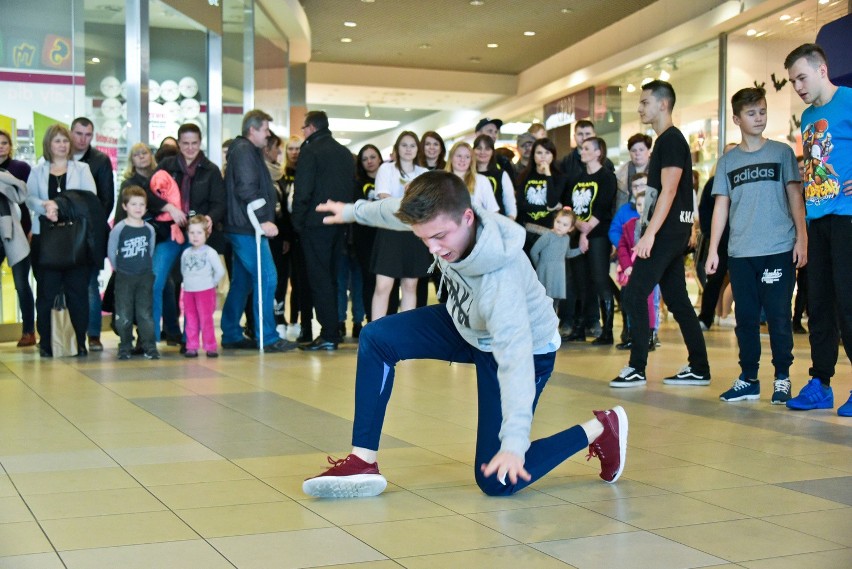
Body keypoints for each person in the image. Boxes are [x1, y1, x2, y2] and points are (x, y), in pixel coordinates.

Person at [303, 171, 628, 498]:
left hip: (522, 349)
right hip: (468, 324)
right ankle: (363, 461)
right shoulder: (443, 215)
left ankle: (602, 429)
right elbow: (395, 211)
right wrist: (350, 212)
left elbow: (515, 360)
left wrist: (515, 443)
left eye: (440, 237)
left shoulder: (500, 280)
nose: (433, 249)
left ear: (468, 217)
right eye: (423, 238)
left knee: (496, 482)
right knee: (377, 338)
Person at [705, 87, 806, 405]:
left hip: (778, 247)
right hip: (740, 252)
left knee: (778, 315)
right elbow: (721, 206)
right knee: (745, 317)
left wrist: (802, 238)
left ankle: (782, 378)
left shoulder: (782, 153)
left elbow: (794, 197)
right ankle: (748, 378)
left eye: (762, 111)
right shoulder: (727, 161)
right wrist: (712, 251)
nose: (758, 117)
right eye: (751, 113)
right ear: (736, 118)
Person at [610, 80, 710, 388]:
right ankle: (699, 366)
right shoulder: (668, 141)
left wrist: (649, 234)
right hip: (671, 232)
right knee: (678, 300)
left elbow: (668, 190)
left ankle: (637, 366)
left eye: (644, 102)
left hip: (665, 234)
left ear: (662, 104)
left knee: (635, 293)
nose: (640, 108)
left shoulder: (670, 140)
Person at [783, 44, 852, 416]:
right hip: (818, 219)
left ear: (822, 70)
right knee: (819, 303)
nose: (797, 86)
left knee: (849, 302)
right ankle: (820, 383)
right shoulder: (809, 117)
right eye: (793, 81)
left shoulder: (851, 101)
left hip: (848, 217)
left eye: (801, 77)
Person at [221, 109, 295, 353]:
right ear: (252, 130)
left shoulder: (245, 151)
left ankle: (231, 333)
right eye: (265, 129)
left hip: (241, 226)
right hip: (247, 227)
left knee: (242, 283)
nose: (268, 134)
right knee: (267, 278)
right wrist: (263, 220)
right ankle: (268, 337)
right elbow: (247, 189)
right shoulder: (244, 151)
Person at [26, 124, 97, 357]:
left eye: (65, 141)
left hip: (76, 240)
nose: (62, 145)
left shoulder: (82, 168)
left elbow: (89, 200)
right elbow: (29, 198)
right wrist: (45, 206)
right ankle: (47, 343)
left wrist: (61, 205)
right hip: (45, 239)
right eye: (57, 141)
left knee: (78, 293)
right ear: (48, 144)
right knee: (46, 294)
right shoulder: (37, 171)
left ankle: (79, 342)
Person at [151, 123, 226, 344]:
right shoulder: (167, 165)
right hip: (170, 233)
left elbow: (219, 203)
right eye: (185, 143)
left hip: (197, 236)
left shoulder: (210, 169)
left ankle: (190, 338)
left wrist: (210, 217)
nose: (190, 148)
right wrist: (169, 208)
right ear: (179, 142)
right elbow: (151, 193)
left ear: (200, 143)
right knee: (156, 280)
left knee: (195, 286)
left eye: (194, 143)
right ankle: (150, 337)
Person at [292, 110, 356, 350]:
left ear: (310, 128)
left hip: (314, 224)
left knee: (319, 278)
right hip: (339, 222)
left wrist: (298, 221)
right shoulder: (343, 152)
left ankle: (329, 333)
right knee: (332, 276)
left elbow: (303, 189)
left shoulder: (310, 150)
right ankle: (333, 329)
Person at [369, 131, 430, 321]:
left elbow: (427, 205)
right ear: (397, 148)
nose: (408, 149)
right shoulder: (386, 169)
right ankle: (375, 333)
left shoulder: (424, 174)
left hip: (414, 233)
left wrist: (405, 204)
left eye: (412, 145)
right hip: (390, 233)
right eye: (404, 145)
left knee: (410, 286)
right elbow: (383, 198)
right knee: (383, 286)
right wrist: (410, 204)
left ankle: (406, 334)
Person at [565, 136, 617, 345]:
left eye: (586, 148)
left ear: (598, 152)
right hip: (578, 233)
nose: (581, 151)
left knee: (599, 279)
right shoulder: (577, 178)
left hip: (598, 235)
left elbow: (603, 206)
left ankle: (608, 330)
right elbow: (570, 206)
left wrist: (586, 231)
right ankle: (579, 327)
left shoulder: (606, 177)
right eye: (581, 148)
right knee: (579, 282)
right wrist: (578, 226)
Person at [70, 117, 114, 353]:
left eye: (88, 135)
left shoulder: (100, 160)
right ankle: (66, 334)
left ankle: (94, 334)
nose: (82, 139)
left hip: (91, 231)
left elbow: (107, 199)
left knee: (89, 284)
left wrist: (92, 224)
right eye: (78, 133)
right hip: (62, 231)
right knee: (63, 284)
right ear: (71, 133)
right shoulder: (60, 156)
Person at [108, 186, 158, 360]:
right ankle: (125, 344)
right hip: (124, 276)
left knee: (145, 314)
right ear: (124, 206)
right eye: (133, 204)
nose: (138, 208)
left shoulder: (149, 229)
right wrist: (120, 269)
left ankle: (149, 345)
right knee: (124, 314)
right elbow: (112, 251)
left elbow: (150, 251)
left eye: (141, 204)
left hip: (144, 276)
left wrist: (144, 268)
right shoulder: (119, 229)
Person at [0, 129, 36, 347]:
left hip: (19, 232)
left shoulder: (20, 168)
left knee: (22, 284)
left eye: (4, 142)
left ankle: (28, 331)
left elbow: (28, 200)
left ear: (10, 146)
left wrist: (30, 229)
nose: (1, 146)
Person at [616, 189, 656, 352]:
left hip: (648, 269)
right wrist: (626, 266)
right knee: (630, 302)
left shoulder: (655, 227)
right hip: (630, 270)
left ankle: (649, 336)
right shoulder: (629, 225)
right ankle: (633, 336)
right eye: (639, 204)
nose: (642, 207)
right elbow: (622, 246)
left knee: (648, 303)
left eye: (645, 205)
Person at [181, 215, 225, 358]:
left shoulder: (210, 252)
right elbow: (183, 269)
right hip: (189, 291)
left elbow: (220, 270)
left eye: (199, 233)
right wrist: (186, 283)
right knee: (191, 319)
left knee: (206, 319)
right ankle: (191, 346)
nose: (195, 236)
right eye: (192, 232)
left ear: (206, 234)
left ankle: (210, 346)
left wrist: (212, 283)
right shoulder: (186, 253)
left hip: (205, 291)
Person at [352, 144, 383, 327]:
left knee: (388, 283)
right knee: (369, 281)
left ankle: (387, 320)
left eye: (373, 157)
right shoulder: (357, 183)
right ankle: (371, 321)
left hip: (386, 237)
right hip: (365, 239)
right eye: (365, 159)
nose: (369, 161)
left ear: (380, 158)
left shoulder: (388, 180)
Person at [516, 137, 565, 252]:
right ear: (533, 155)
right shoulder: (524, 176)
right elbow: (521, 205)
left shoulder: (560, 177)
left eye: (547, 152)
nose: (543, 156)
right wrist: (547, 208)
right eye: (539, 152)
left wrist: (548, 174)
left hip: (549, 232)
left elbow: (552, 201)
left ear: (553, 155)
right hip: (527, 231)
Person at [530, 208, 582, 313]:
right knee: (543, 300)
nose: (560, 226)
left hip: (558, 275)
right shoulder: (548, 236)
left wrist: (580, 250)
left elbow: (567, 254)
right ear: (554, 220)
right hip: (545, 273)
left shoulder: (566, 238)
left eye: (565, 225)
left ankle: (552, 325)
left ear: (571, 228)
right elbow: (534, 251)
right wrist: (540, 266)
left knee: (555, 301)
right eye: (558, 222)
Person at [559, 120, 615, 190]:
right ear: (574, 136)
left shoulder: (606, 163)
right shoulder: (565, 163)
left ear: (594, 135)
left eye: (588, 134)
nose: (584, 138)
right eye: (580, 134)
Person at [446, 141, 499, 213]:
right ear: (451, 158)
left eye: (467, 157)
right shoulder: (440, 180)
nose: (462, 160)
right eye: (459, 156)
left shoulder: (481, 181)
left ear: (471, 160)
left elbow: (493, 211)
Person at [473, 135, 517, 220]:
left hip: (498, 222)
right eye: (479, 148)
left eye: (487, 149)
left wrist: (509, 223)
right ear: (473, 151)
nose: (483, 152)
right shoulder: (468, 175)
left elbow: (510, 203)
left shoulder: (501, 174)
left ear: (492, 152)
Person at [614, 134, 652, 213]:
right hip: (625, 219)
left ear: (648, 151)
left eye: (641, 150)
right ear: (629, 153)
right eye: (633, 150)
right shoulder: (618, 174)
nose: (637, 153)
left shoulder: (659, 171)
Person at [474, 118, 515, 182]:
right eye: (490, 131)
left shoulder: (503, 161)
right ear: (478, 134)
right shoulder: (466, 159)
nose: (494, 135)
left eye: (495, 132)